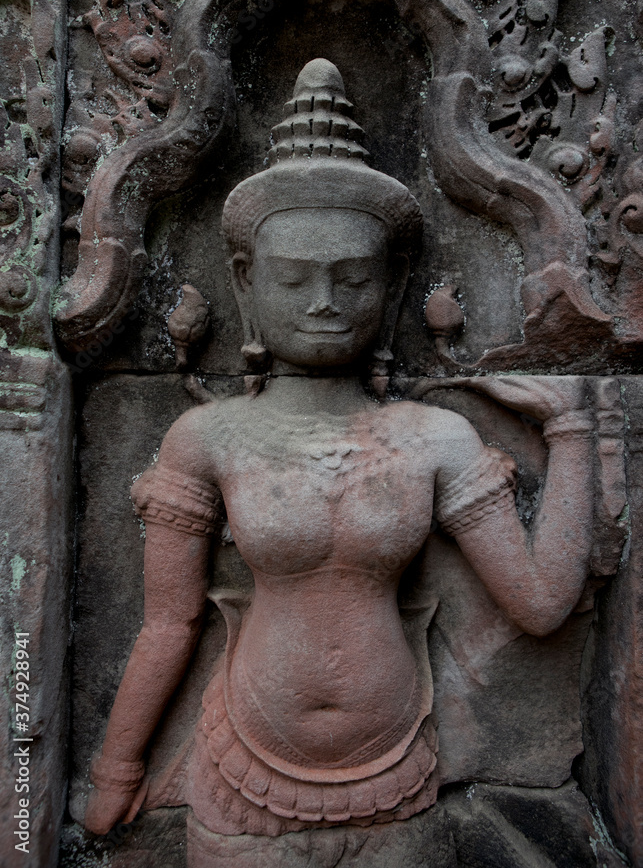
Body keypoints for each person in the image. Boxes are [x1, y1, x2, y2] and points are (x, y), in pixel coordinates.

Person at [85, 59, 593, 863]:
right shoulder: (210, 437)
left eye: (351, 279)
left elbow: (536, 605)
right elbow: (167, 622)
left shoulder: (433, 437)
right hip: (239, 762)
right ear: (248, 287)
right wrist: (117, 766)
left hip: (395, 770)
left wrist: (571, 434)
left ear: (389, 292)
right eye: (294, 279)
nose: (324, 302)